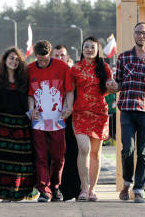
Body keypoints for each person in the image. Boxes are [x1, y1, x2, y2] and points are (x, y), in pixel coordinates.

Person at [114, 22, 145, 203]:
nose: (141, 36)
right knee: (128, 149)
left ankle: (139, 188)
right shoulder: (123, 58)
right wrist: (112, 86)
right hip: (127, 109)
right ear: (133, 35)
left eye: (144, 33)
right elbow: (117, 83)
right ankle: (127, 182)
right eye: (138, 32)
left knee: (143, 152)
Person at [70, 36, 117, 201]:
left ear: (97, 50)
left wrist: (114, 87)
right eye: (86, 46)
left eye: (92, 47)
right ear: (82, 49)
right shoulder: (75, 69)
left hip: (99, 114)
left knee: (96, 154)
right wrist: (68, 107)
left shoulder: (104, 68)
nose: (89, 49)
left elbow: (110, 87)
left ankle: (92, 190)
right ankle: (83, 188)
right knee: (84, 149)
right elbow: (70, 91)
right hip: (80, 113)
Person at [27, 40, 74, 202]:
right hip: (39, 121)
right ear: (35, 56)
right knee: (40, 156)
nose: (42, 62)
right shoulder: (30, 69)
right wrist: (31, 109)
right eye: (39, 60)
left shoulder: (61, 67)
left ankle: (55, 185)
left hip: (57, 119)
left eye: (45, 59)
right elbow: (30, 94)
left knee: (58, 156)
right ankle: (44, 190)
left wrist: (69, 107)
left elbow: (69, 90)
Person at [0, 47, 36, 202]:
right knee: (2, 160)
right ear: (5, 60)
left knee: (20, 160)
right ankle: (4, 194)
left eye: (17, 59)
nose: (14, 61)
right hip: (1, 124)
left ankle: (18, 193)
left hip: (20, 124)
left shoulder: (24, 81)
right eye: (11, 58)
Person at [51, 43, 81, 201]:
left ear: (68, 56)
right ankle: (55, 189)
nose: (60, 58)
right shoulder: (49, 73)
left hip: (73, 119)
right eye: (56, 55)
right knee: (55, 156)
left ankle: (74, 191)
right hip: (53, 119)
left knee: (72, 154)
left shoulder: (74, 73)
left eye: (62, 55)